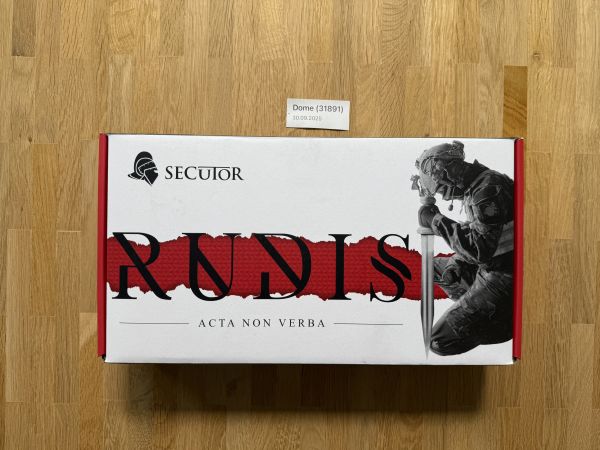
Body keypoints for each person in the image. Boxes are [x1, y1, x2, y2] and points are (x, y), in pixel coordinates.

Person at [416, 141, 514, 355]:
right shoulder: (477, 186)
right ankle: (477, 306)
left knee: (437, 342)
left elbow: (479, 250)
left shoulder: (487, 190)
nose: (445, 196)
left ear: (450, 171)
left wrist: (436, 220)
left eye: (442, 188)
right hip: (490, 267)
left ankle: (504, 321)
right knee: (428, 266)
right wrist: (457, 261)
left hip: (505, 276)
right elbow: (478, 234)